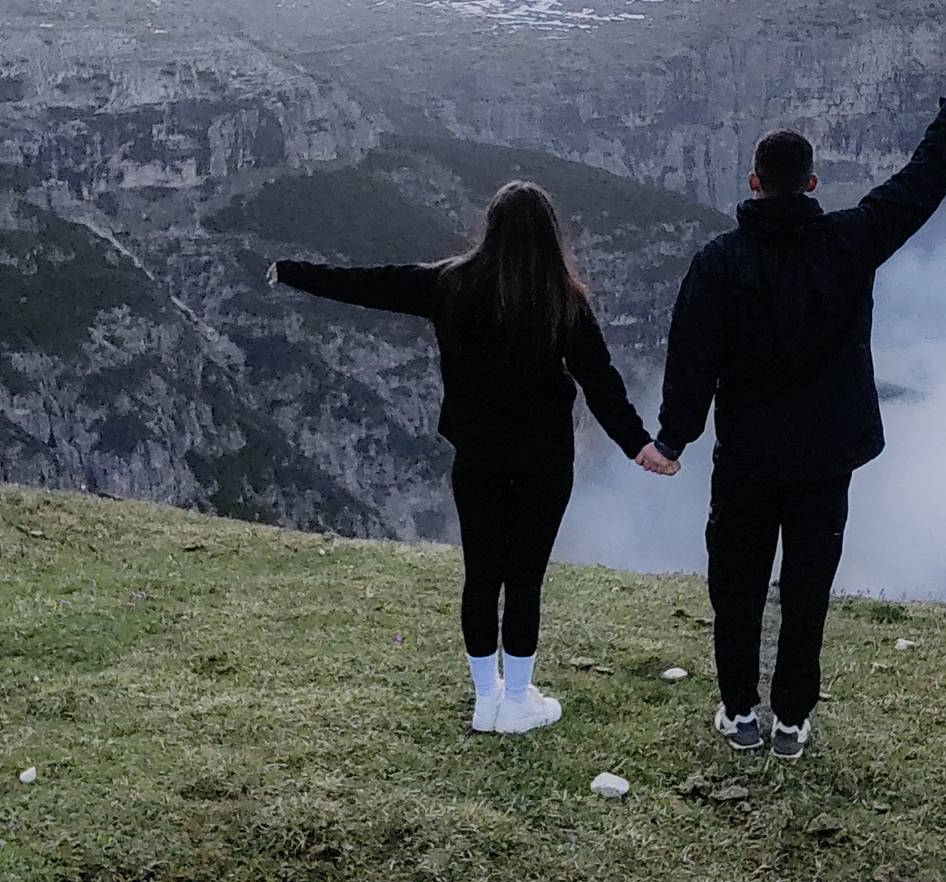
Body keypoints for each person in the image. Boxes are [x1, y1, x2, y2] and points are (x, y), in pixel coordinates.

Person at [651, 51, 946, 761]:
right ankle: (792, 723)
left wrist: (674, 439)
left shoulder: (719, 262)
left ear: (753, 183)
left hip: (746, 456)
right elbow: (922, 183)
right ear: (811, 184)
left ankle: (740, 713)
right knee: (807, 590)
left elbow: (692, 360)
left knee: (737, 586)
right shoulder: (851, 241)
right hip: (825, 458)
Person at [270, 181, 673, 735]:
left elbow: (370, 283)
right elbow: (601, 382)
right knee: (525, 578)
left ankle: (487, 698)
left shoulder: (449, 284)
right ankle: (519, 699)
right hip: (543, 460)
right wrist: (641, 446)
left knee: (482, 574)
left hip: (477, 456)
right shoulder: (563, 300)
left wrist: (293, 271)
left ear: (491, 229)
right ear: (550, 237)